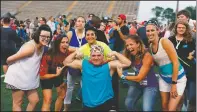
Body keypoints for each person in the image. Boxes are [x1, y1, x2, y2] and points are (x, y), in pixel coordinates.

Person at [63, 44, 131, 111]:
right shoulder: (84, 64)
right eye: (93, 55)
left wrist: (115, 53)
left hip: (104, 103)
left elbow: (128, 63)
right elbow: (66, 62)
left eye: (99, 55)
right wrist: (75, 52)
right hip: (87, 104)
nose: (96, 58)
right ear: (90, 56)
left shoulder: (109, 66)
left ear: (103, 56)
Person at [4, 24, 52, 111]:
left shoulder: (42, 46)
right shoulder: (30, 48)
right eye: (43, 36)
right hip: (18, 78)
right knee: (18, 102)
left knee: (34, 100)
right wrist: (12, 67)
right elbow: (9, 59)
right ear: (38, 35)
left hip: (28, 79)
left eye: (48, 37)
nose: (46, 38)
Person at [146, 20, 187, 111]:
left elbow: (175, 62)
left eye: (152, 30)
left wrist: (173, 84)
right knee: (164, 105)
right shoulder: (150, 46)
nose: (150, 33)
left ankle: (181, 100)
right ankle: (181, 100)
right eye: (148, 31)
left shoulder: (164, 42)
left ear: (158, 31)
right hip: (164, 78)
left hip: (177, 79)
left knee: (171, 109)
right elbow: (159, 62)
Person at [117, 35, 159, 111]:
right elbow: (115, 58)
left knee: (147, 109)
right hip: (137, 84)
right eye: (127, 45)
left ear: (138, 44)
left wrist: (122, 76)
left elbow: (140, 78)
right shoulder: (129, 54)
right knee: (128, 104)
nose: (129, 47)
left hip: (149, 85)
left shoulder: (147, 56)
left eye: (131, 44)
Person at [168, 20, 196, 111]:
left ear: (186, 29)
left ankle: (189, 108)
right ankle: (181, 108)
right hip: (176, 72)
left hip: (190, 70)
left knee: (192, 97)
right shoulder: (170, 39)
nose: (181, 29)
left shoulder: (190, 40)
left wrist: (188, 58)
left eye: (183, 28)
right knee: (179, 96)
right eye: (179, 27)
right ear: (176, 28)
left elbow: (192, 54)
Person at [39, 34, 69, 111]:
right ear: (57, 44)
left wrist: (64, 80)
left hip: (59, 75)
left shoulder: (67, 52)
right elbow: (42, 76)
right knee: (47, 99)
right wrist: (56, 74)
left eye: (67, 42)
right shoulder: (48, 55)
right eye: (62, 42)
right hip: (47, 75)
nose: (65, 44)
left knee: (62, 95)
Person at [63, 16, 87, 111]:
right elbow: (65, 46)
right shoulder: (70, 33)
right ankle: (66, 107)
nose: (80, 23)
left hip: (85, 64)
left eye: (82, 21)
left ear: (85, 23)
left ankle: (86, 106)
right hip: (72, 63)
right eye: (78, 21)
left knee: (85, 87)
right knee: (69, 86)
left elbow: (91, 47)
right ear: (75, 23)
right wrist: (78, 50)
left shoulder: (88, 34)